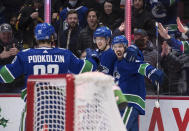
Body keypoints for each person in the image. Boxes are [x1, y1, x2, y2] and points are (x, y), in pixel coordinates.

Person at [0, 23, 98, 130]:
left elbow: (5, 76)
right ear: (52, 37)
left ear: (36, 38)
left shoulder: (25, 55)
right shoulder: (64, 53)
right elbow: (86, 68)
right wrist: (93, 57)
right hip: (59, 106)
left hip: (34, 105)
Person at [112, 35, 164, 130]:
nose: (117, 49)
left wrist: (153, 72)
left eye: (120, 46)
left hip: (130, 103)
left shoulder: (129, 60)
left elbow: (141, 65)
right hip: (124, 104)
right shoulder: (116, 62)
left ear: (125, 47)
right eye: (115, 47)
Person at [0, 23, 24, 93]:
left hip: (16, 83)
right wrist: (1, 56)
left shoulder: (17, 43)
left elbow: (26, 60)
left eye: (9, 34)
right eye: (4, 34)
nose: (6, 36)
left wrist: (19, 53)